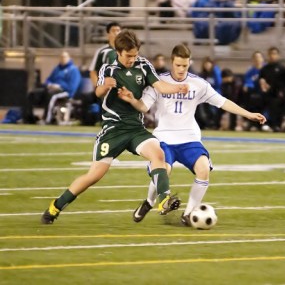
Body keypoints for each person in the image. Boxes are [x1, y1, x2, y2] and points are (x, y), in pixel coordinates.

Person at [41, 30, 189, 225]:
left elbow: (160, 86)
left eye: (135, 54)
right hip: (113, 131)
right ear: (118, 52)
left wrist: (178, 88)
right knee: (94, 175)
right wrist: (105, 86)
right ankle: (55, 206)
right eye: (128, 56)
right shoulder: (108, 70)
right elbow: (98, 93)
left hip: (135, 128)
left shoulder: (144, 66)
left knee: (158, 154)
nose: (132, 59)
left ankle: (163, 201)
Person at [118, 44, 266, 225]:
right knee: (164, 170)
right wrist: (132, 100)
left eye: (185, 66)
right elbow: (144, 106)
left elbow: (223, 102)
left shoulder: (199, 84)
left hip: (189, 139)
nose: (181, 70)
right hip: (164, 138)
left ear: (189, 64)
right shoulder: (159, 82)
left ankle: (188, 214)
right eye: (178, 65)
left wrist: (249, 114)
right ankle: (149, 202)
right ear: (172, 62)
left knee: (203, 169)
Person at [80, 22, 122, 126]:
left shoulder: (125, 50)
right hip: (106, 88)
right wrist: (98, 86)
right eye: (113, 31)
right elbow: (93, 71)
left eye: (118, 30)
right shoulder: (102, 51)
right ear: (108, 34)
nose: (116, 33)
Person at [23, 51, 82, 124]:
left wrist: (59, 86)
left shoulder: (73, 70)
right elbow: (48, 80)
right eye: (61, 57)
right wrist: (49, 85)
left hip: (65, 92)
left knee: (51, 96)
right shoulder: (57, 69)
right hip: (51, 89)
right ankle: (28, 118)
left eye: (64, 57)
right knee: (32, 94)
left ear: (69, 58)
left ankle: (47, 120)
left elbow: (72, 87)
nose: (62, 59)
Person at [259, 46, 285, 132]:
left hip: (278, 94)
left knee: (276, 103)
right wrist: (263, 84)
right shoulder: (264, 69)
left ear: (278, 55)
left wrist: (282, 91)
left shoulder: (282, 69)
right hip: (266, 94)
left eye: (274, 54)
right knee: (256, 100)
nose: (272, 56)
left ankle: (276, 125)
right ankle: (259, 124)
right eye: (270, 54)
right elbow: (261, 80)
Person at [243, 51, 265, 130]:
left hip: (266, 93)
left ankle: (266, 124)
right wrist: (246, 86)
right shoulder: (250, 71)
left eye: (259, 57)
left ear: (262, 59)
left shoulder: (267, 69)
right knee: (250, 98)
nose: (257, 59)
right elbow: (248, 83)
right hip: (254, 93)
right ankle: (252, 123)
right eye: (255, 58)